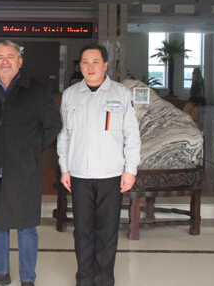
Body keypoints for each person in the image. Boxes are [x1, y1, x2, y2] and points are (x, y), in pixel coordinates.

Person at [0, 40, 62, 286]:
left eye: (10, 57)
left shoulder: (38, 89)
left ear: (20, 61)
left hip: (24, 167)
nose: (5, 62)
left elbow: (53, 125)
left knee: (26, 226)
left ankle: (27, 278)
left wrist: (30, 149)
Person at [57, 43, 141, 286]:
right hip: (79, 175)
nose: (90, 67)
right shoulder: (70, 95)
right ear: (80, 66)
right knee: (82, 232)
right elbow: (64, 135)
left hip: (111, 175)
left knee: (107, 232)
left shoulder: (121, 94)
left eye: (95, 62)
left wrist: (130, 170)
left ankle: (104, 280)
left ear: (105, 65)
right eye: (85, 62)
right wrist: (64, 168)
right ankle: (84, 280)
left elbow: (132, 135)